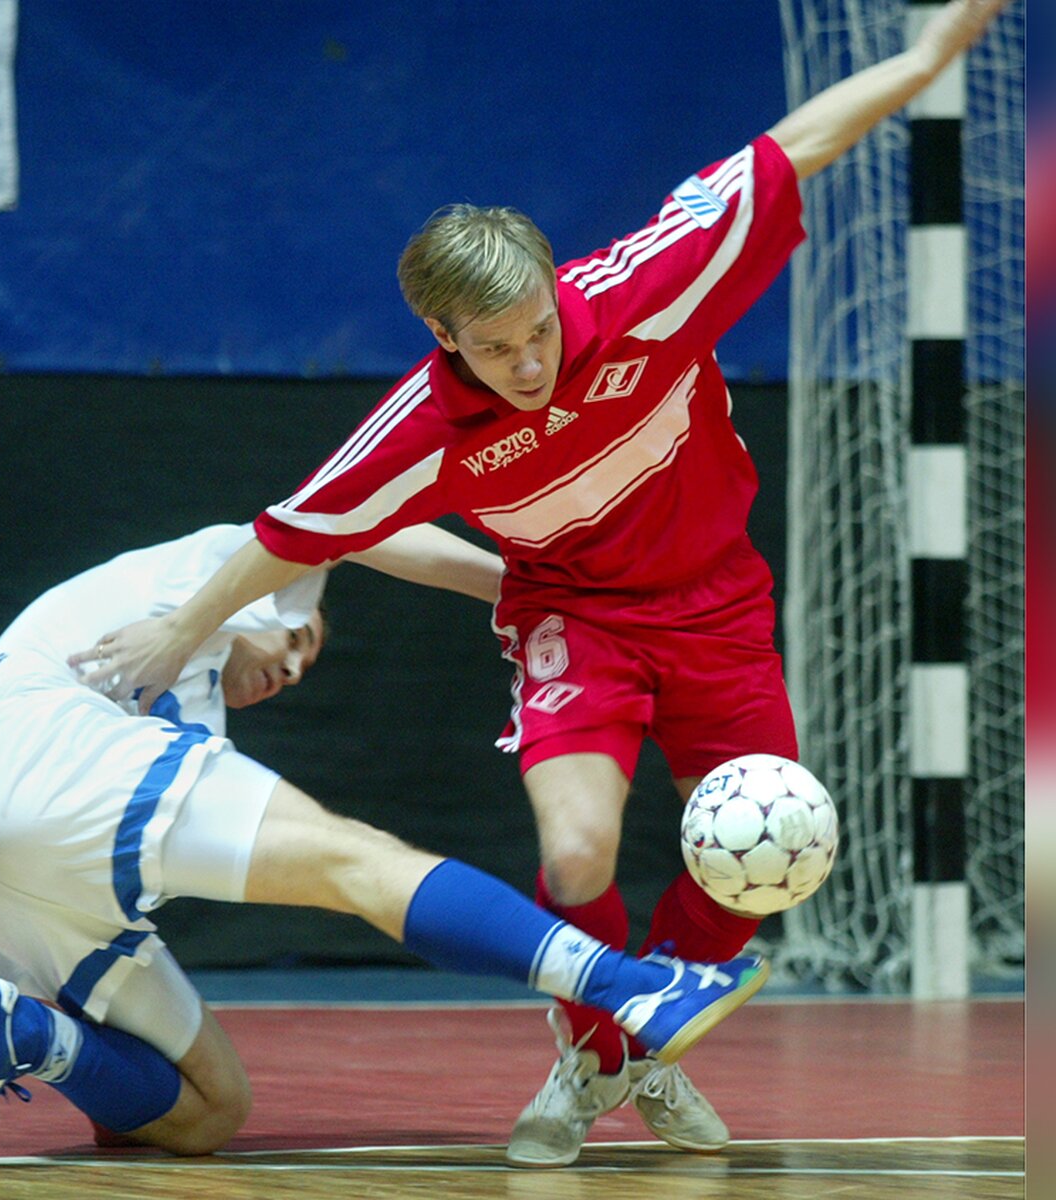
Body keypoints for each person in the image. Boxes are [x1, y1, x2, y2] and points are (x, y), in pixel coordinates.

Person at [72, 0, 1011, 1169]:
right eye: (496, 345)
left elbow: (796, 144)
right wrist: (187, 624)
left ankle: (634, 1054)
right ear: (439, 331)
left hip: (718, 603)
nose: (529, 363)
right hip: (576, 620)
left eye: (537, 331)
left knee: (770, 855)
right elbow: (299, 528)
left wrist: (922, 61)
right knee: (576, 856)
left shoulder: (646, 292)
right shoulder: (423, 427)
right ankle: (598, 1050)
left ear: (553, 288)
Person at [0, 520, 769, 1170]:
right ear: (275, 603)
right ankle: (634, 987)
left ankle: (20, 1032)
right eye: (295, 644)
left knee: (208, 1112)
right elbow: (363, 529)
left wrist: (289, 622)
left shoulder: (187, 682)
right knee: (357, 861)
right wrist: (533, 593)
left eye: (300, 668)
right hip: (43, 749)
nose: (289, 669)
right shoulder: (216, 566)